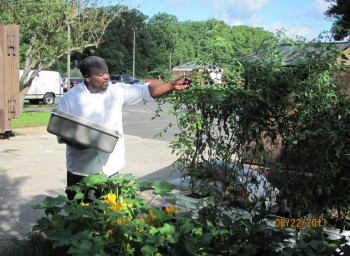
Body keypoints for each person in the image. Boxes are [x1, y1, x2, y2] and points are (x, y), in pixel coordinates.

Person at [57, 56, 191, 200]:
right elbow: (62, 133)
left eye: (107, 72)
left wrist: (171, 85)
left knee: (112, 214)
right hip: (80, 171)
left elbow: (146, 91)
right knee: (78, 216)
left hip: (110, 169)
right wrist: (81, 144)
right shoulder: (70, 99)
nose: (106, 77)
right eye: (101, 74)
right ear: (87, 77)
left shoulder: (116, 91)